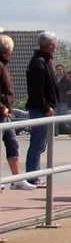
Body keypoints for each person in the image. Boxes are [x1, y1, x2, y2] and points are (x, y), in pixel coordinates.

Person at [23, 31, 58, 178]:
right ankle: (32, 176)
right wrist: (46, 107)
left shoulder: (43, 61)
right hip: (40, 110)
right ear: (50, 45)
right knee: (37, 144)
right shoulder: (39, 63)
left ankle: (34, 175)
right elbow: (37, 90)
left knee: (40, 144)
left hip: (43, 109)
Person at [0, 34, 25, 189]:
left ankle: (18, 179)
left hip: (5, 112)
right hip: (1, 112)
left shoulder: (4, 64)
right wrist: (2, 106)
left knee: (12, 143)